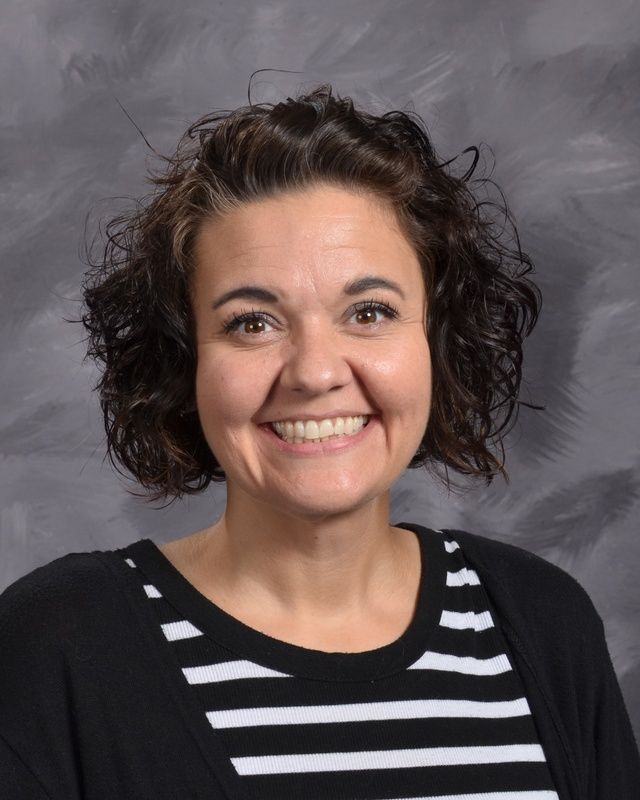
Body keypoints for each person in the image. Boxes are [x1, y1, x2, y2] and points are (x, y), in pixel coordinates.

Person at [1, 83, 638, 799]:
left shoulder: (543, 623)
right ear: (184, 363)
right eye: (252, 322)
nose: (314, 372)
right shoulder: (56, 645)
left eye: (368, 311)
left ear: (437, 339)